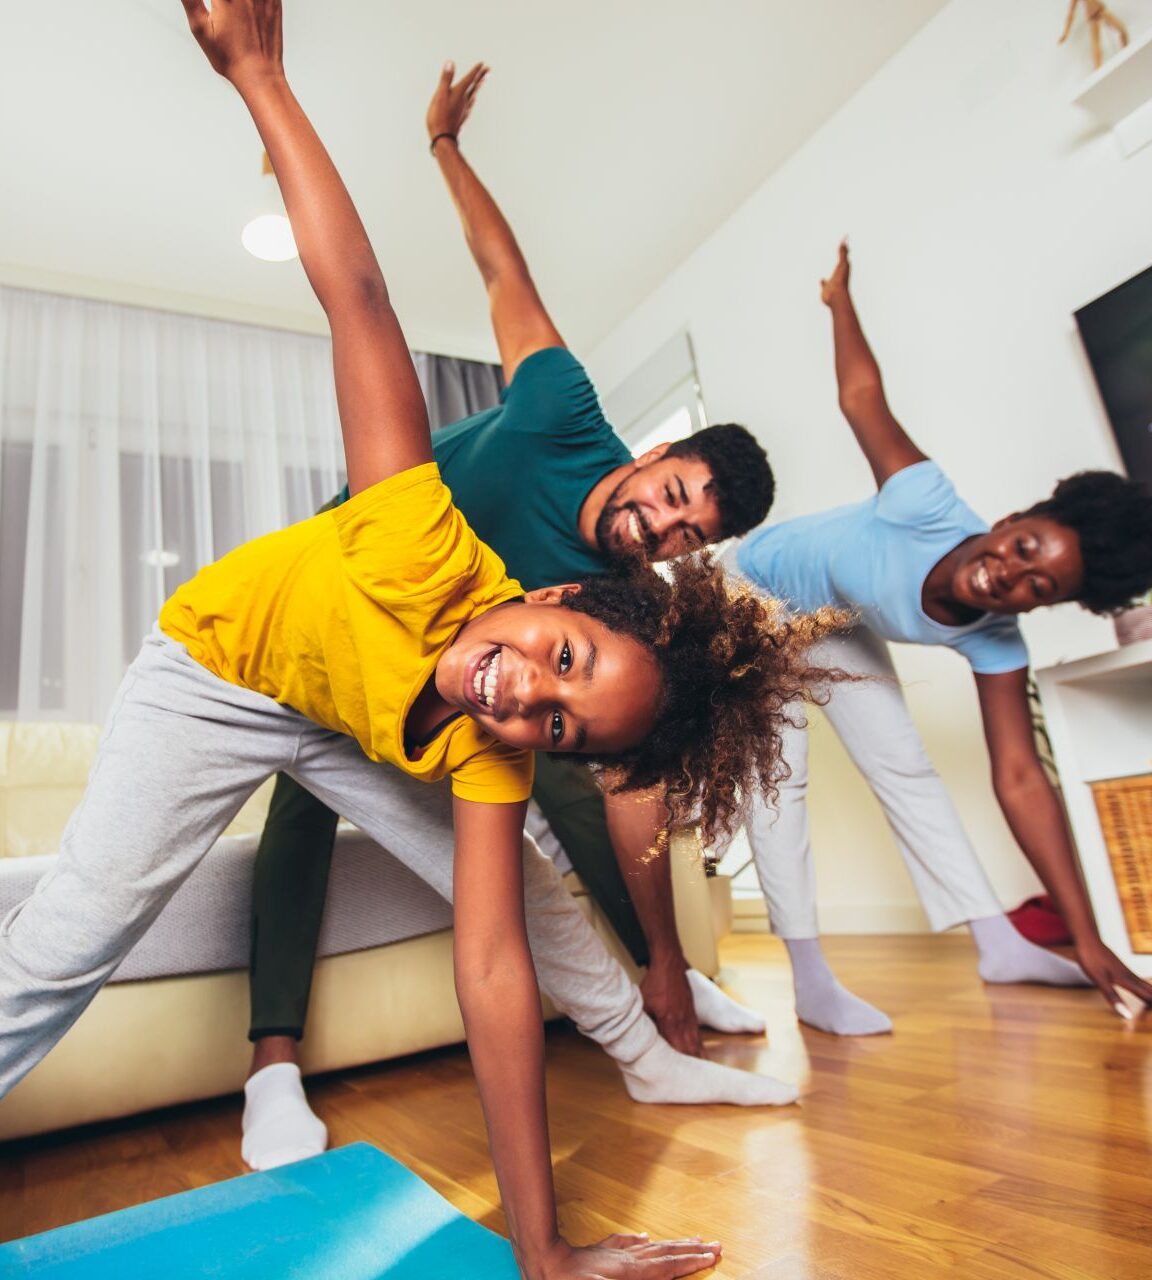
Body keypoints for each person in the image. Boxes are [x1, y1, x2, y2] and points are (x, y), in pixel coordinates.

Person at [0, 8, 843, 1275]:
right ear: (543, 597)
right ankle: (266, 1066)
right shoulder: (433, 529)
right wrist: (260, 77)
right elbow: (359, 291)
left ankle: (649, 1059)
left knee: (538, 896)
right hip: (222, 675)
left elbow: (493, 966)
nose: (523, 695)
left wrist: (541, 1248)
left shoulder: (511, 724)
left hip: (362, 706)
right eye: (552, 660)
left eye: (557, 717)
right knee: (78, 932)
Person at [241, 62, 776, 1169]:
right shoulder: (560, 406)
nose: (663, 529)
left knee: (576, 771)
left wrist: (669, 957)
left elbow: (635, 792)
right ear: (653, 455)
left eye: (689, 536)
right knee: (299, 789)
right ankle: (272, 1064)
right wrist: (444, 146)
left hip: (471, 661)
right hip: (360, 572)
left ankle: (657, 987)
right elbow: (500, 268)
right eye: (670, 496)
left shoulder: (619, 603)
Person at [730, 240, 1152, 1035]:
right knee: (782, 777)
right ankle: (811, 981)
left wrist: (1087, 940)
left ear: (1049, 604)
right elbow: (860, 396)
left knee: (908, 769)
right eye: (1022, 549)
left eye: (1038, 586)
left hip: (832, 621)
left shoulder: (997, 641)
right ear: (1016, 519)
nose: (1007, 578)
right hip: (749, 590)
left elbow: (1020, 778)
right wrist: (838, 301)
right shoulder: (926, 503)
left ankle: (999, 942)